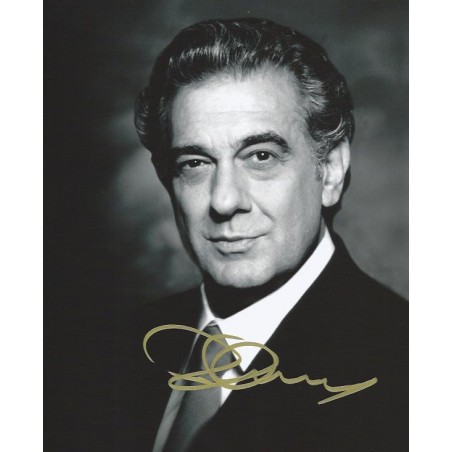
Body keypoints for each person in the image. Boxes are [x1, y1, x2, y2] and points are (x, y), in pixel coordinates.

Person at [122, 17, 408, 452]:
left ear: (330, 171)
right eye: (195, 163)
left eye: (261, 156)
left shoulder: (411, 365)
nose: (224, 200)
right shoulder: (111, 351)